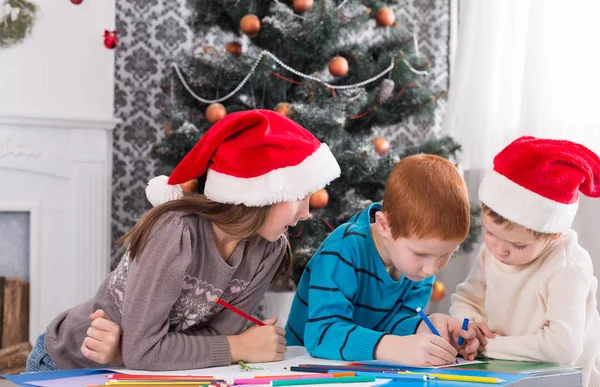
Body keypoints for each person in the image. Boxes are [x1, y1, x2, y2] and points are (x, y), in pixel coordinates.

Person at [25, 109, 341, 371]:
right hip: (69, 364)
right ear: (260, 193)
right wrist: (239, 346)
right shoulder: (176, 232)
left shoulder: (269, 249)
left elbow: (212, 337)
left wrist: (139, 352)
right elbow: (148, 350)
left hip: (139, 371)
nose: (305, 213)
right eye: (299, 196)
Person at [285, 153, 480, 366]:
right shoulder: (344, 248)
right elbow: (322, 334)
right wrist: (394, 347)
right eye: (421, 254)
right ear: (385, 225)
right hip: (301, 367)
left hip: (364, 371)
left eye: (446, 254)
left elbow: (390, 324)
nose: (431, 270)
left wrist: (428, 326)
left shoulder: (416, 266)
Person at [449, 136, 600, 387]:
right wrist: (471, 329)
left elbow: (562, 348)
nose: (500, 250)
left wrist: (486, 346)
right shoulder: (492, 251)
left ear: (554, 232)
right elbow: (467, 299)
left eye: (517, 245)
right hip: (509, 376)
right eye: (488, 232)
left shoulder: (567, 266)